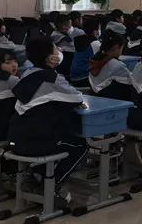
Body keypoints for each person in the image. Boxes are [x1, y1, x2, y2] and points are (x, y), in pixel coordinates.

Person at [9, 38, 88, 203]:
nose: (59, 52)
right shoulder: (51, 78)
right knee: (80, 145)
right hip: (36, 141)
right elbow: (76, 97)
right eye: (55, 49)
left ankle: (37, 175)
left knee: (60, 136)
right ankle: (53, 186)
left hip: (15, 137)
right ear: (50, 58)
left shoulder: (28, 73)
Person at [89, 30, 133, 101]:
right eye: (121, 48)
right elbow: (131, 81)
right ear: (116, 47)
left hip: (95, 97)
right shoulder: (117, 65)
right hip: (113, 100)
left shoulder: (94, 59)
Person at [71, 17, 101, 87]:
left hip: (74, 76)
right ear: (95, 31)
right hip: (84, 77)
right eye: (99, 29)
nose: (100, 31)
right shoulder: (94, 43)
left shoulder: (79, 40)